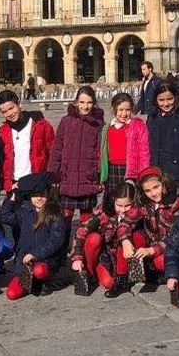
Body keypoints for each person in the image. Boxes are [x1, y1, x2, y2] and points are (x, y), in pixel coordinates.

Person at [48, 86, 105, 260]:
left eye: (89, 103)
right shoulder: (66, 121)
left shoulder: (99, 124)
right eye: (82, 102)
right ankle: (60, 252)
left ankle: (86, 254)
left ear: (93, 103)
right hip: (67, 178)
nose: (85, 106)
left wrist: (100, 176)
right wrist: (53, 173)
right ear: (75, 102)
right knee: (64, 219)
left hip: (88, 179)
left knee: (87, 220)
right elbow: (57, 148)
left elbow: (101, 153)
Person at [71, 182, 142, 298]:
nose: (123, 210)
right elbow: (81, 231)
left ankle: (116, 276)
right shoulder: (103, 213)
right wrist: (77, 258)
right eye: (119, 205)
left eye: (127, 205)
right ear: (113, 201)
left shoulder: (137, 212)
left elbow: (125, 228)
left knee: (109, 283)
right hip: (103, 254)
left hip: (124, 256)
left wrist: (125, 240)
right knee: (94, 238)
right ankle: (89, 272)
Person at [1, 173, 66, 300]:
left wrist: (35, 254)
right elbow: (5, 217)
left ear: (48, 194)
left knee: (39, 271)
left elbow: (56, 240)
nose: (39, 198)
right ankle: (31, 283)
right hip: (24, 260)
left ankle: (42, 282)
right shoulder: (24, 211)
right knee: (12, 294)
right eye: (35, 195)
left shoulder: (55, 213)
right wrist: (11, 197)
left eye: (42, 195)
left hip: (46, 260)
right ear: (29, 196)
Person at [0, 90, 55, 194]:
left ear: (19, 104)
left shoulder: (41, 125)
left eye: (11, 108)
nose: (9, 114)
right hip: (15, 183)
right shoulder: (3, 131)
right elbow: (2, 161)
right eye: (4, 112)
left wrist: (52, 178)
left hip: (37, 180)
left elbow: (53, 153)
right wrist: (7, 184)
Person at [134, 167, 179, 280]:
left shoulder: (176, 202)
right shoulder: (145, 203)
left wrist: (153, 250)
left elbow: (176, 236)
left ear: (163, 183)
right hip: (151, 245)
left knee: (161, 261)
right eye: (147, 191)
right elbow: (127, 221)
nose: (153, 193)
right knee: (135, 237)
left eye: (156, 187)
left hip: (172, 247)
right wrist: (125, 241)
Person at [147, 82, 179, 189]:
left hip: (177, 176)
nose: (166, 104)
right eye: (161, 100)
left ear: (175, 97)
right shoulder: (152, 118)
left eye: (169, 99)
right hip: (156, 174)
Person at [101, 92, 151, 191]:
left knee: (130, 199)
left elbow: (144, 152)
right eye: (120, 110)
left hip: (131, 171)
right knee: (113, 200)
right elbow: (103, 153)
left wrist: (145, 173)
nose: (124, 114)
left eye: (127, 110)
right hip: (112, 170)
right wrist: (103, 175)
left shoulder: (138, 126)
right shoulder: (107, 128)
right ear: (113, 109)